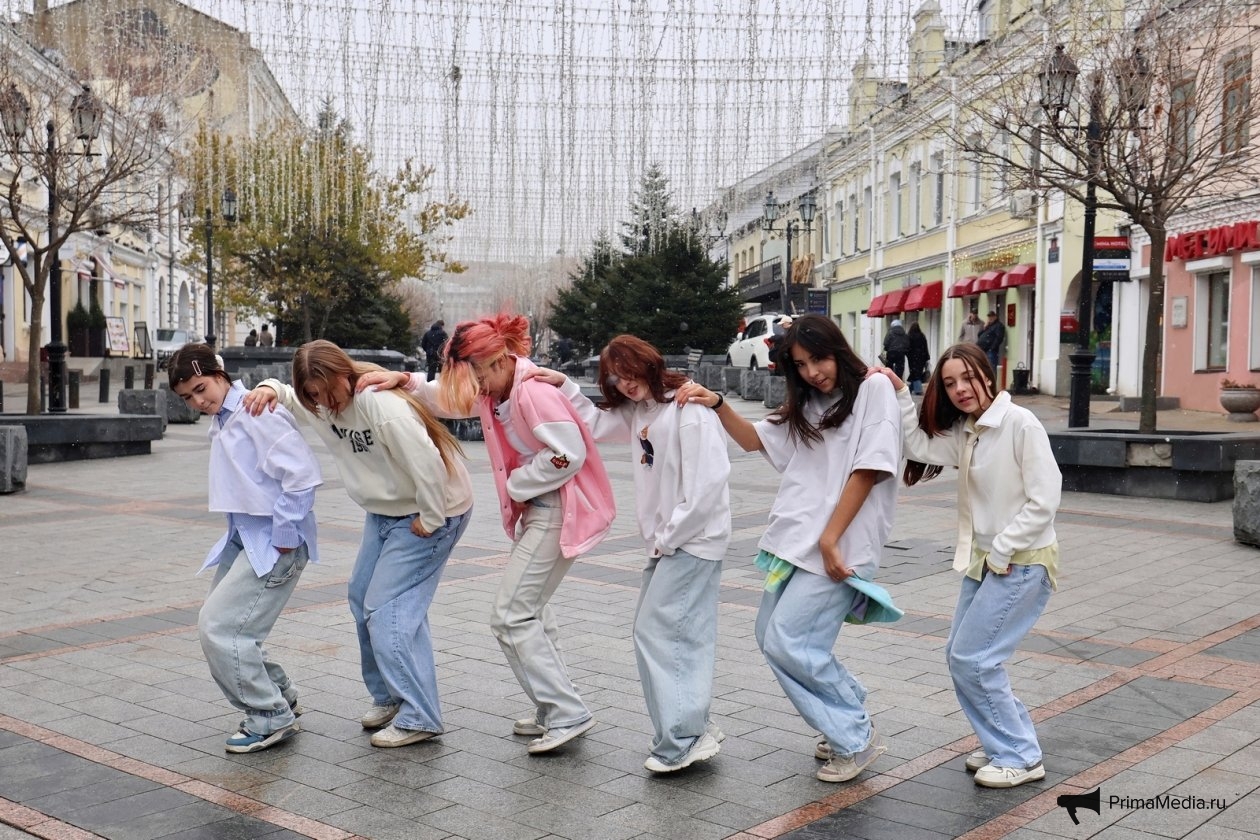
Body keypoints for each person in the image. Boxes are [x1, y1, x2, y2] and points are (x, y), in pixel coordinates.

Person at [370, 314, 614, 754]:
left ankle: (566, 711)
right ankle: (554, 707)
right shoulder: (498, 390)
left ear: (498, 360)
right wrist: (406, 380)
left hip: (554, 510)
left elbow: (568, 454)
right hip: (542, 510)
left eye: (479, 373)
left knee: (511, 615)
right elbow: (448, 400)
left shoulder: (532, 392)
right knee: (532, 613)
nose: (476, 384)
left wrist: (520, 483)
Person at [676, 314, 902, 783]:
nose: (812, 372)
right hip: (796, 541)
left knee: (790, 641)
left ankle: (855, 735)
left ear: (837, 350)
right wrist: (717, 402)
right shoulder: (811, 403)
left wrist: (830, 539)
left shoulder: (873, 389)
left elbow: (869, 469)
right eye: (800, 365)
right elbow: (753, 439)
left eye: (818, 359)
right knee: (770, 637)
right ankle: (846, 709)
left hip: (840, 544)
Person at [243, 339, 473, 749]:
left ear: (344, 373)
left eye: (329, 389)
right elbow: (291, 398)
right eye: (314, 393)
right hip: (385, 512)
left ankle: (419, 715)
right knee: (361, 596)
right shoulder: (319, 404)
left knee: (386, 611)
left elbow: (427, 460)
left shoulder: (376, 403)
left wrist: (431, 517)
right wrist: (270, 389)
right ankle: (390, 698)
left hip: (430, 512)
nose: (325, 401)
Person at [533, 335, 731, 773]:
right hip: (671, 541)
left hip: (692, 540)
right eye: (616, 378)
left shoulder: (688, 408)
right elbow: (595, 424)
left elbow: (708, 483)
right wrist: (565, 385)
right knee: (667, 633)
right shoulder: (642, 409)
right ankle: (692, 726)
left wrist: (671, 536)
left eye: (630, 373)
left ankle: (685, 736)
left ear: (649, 364)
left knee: (658, 632)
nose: (625, 383)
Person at [870, 342, 1060, 789]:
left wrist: (1003, 550)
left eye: (968, 377)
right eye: (950, 382)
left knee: (975, 660)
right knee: (962, 657)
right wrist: (900, 392)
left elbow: (1045, 499)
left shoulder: (1020, 424)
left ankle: (1020, 755)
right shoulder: (970, 430)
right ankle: (1004, 742)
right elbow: (918, 444)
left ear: (987, 374)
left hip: (1021, 563)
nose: (960, 389)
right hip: (988, 563)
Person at [168, 344, 321, 754]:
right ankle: (279, 694)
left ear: (219, 374)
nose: (198, 401)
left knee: (219, 628)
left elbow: (303, 476)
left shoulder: (256, 411)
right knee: (228, 628)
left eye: (201, 388)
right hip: (245, 537)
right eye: (187, 397)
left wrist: (285, 535)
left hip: (273, 542)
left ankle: (269, 714)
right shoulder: (225, 416)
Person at [906, 322, 930, 396]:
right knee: (917, 373)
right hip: (921, 358)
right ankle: (912, 388)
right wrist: (927, 357)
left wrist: (908, 355)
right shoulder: (922, 336)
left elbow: (907, 347)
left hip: (912, 358)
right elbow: (925, 347)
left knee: (914, 373)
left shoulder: (909, 336)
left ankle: (916, 389)